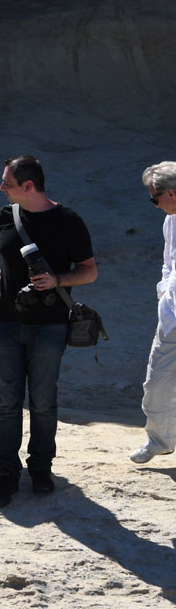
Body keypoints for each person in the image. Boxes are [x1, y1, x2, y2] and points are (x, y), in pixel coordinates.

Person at [0, 155, 97, 506]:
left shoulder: (68, 221)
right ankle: (6, 472)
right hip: (6, 323)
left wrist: (57, 280)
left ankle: (40, 468)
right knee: (7, 403)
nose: (1, 188)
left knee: (42, 402)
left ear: (28, 186)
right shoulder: (5, 217)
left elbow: (89, 271)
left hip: (51, 326)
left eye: (6, 183)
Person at [132, 162, 176, 464]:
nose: (155, 204)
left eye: (154, 198)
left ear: (171, 193)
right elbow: (167, 262)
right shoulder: (170, 221)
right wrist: (164, 292)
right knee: (155, 383)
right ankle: (159, 440)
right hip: (172, 314)